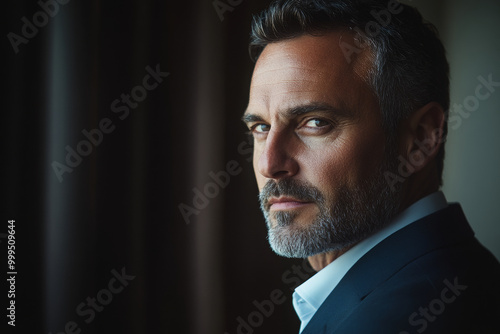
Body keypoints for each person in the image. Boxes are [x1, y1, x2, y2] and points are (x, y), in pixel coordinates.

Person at [241, 0, 500, 333]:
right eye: (261, 127)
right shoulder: (463, 273)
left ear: (420, 138)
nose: (269, 164)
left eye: (315, 122)